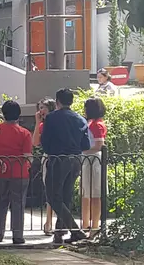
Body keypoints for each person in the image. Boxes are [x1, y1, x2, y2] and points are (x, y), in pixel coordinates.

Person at [37, 88, 91, 244]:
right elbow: (86, 144)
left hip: (58, 159)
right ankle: (60, 232)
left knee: (53, 196)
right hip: (76, 159)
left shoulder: (52, 118)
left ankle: (75, 230)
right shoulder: (80, 119)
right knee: (65, 196)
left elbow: (45, 142)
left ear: (57, 101)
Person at [0, 100, 34, 245]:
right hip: (19, 173)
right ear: (19, 115)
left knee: (0, 202)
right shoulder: (24, 133)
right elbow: (27, 155)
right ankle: (17, 235)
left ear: (3, 114)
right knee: (18, 203)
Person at [31, 97, 58, 235]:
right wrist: (37, 124)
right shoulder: (42, 125)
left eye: (43, 108)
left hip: (57, 156)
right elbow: (35, 142)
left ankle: (56, 222)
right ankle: (49, 221)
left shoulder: (57, 123)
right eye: (39, 108)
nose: (41, 111)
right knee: (49, 189)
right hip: (47, 157)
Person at [81, 97, 107, 234]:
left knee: (95, 192)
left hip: (94, 159)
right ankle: (85, 224)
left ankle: (95, 225)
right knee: (86, 191)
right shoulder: (92, 123)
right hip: (88, 159)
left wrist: (83, 150)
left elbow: (99, 145)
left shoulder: (97, 124)